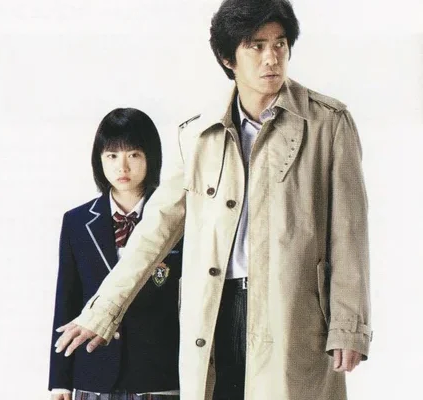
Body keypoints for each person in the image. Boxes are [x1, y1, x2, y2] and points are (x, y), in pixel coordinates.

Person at [54, 1, 372, 399]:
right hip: (213, 308)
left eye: (280, 44)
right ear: (228, 58)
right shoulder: (197, 134)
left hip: (292, 311)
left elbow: (349, 233)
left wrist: (348, 325)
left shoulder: (327, 123)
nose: (272, 58)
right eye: (256, 46)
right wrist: (103, 309)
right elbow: (156, 229)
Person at [49, 108, 183, 400]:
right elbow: (67, 300)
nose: (122, 166)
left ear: (151, 157)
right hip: (93, 373)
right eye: (111, 155)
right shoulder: (77, 221)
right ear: (99, 160)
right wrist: (60, 381)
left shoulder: (177, 219)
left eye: (134, 154)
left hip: (158, 375)